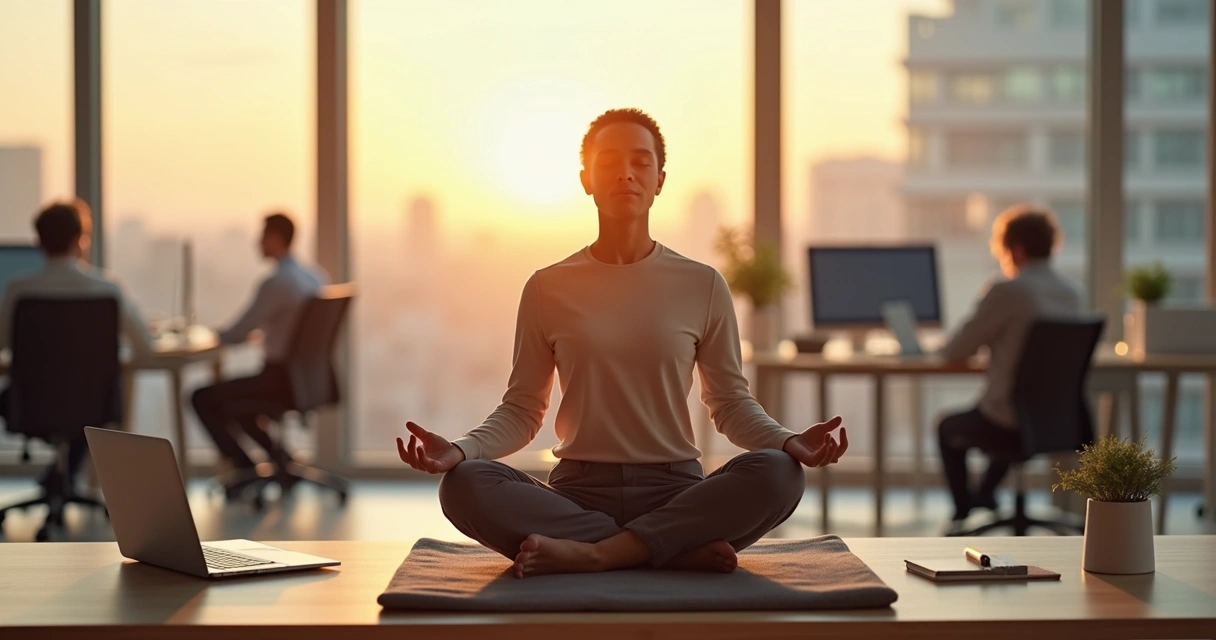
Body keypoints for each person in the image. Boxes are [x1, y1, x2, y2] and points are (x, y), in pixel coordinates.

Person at [396, 108, 848, 578]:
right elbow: (523, 410)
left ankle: (596, 554)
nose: (626, 174)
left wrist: (788, 441)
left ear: (659, 180)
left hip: (677, 490)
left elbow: (730, 403)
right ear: (586, 179)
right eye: (609, 162)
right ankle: (668, 550)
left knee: (779, 473)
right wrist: (461, 450)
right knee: (463, 484)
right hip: (578, 491)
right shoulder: (547, 287)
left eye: (641, 162)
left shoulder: (703, 284)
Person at [937, 205, 1081, 534]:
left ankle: (963, 512)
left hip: (1011, 423)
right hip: (1058, 420)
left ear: (1015, 248)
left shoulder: (1007, 290)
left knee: (948, 426)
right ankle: (985, 495)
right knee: (1005, 411)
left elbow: (957, 350)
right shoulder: (1073, 294)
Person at [0, 199, 155, 487]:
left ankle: (59, 478)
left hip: (29, 404)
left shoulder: (18, 290)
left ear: (40, 242)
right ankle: (64, 478)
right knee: (84, 406)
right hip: (94, 404)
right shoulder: (107, 289)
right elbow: (144, 347)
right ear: (80, 240)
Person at [191, 212, 325, 471]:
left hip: (279, 380)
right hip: (307, 380)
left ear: (275, 238)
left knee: (201, 398)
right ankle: (280, 459)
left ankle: (243, 468)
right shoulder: (314, 277)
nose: (257, 243)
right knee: (238, 403)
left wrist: (206, 335)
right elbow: (297, 330)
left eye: (262, 236)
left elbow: (236, 333)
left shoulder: (277, 282)